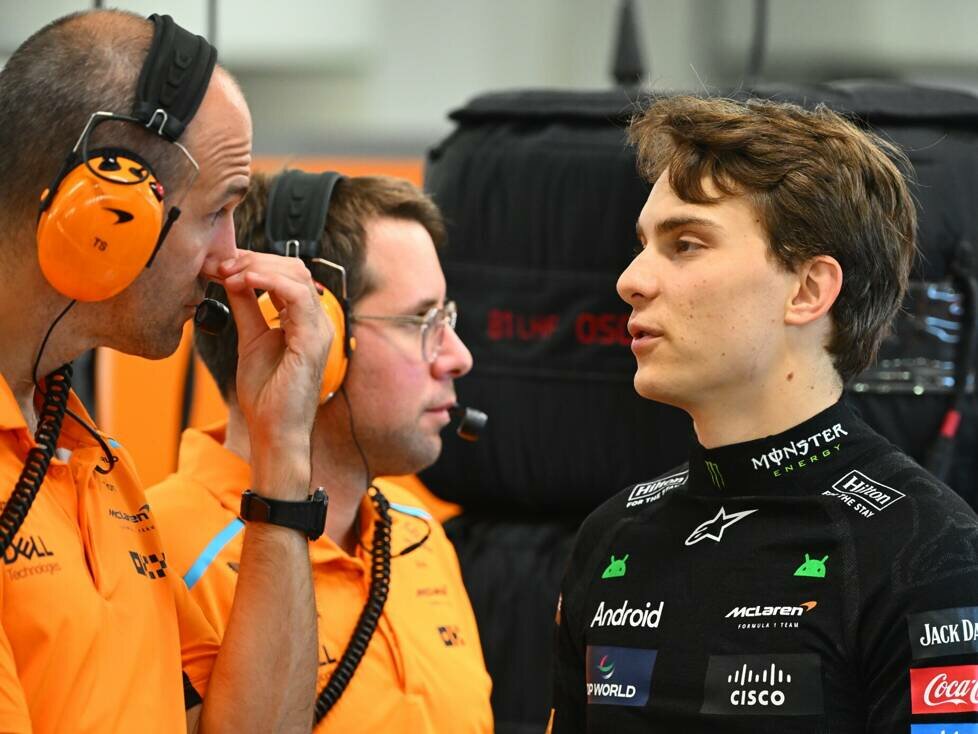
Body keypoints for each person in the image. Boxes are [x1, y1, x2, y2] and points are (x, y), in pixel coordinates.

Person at [550, 94, 978, 732]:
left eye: (686, 244)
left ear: (808, 289)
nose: (631, 280)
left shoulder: (928, 553)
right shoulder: (613, 537)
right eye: (642, 245)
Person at [0, 10, 330, 733]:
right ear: (104, 204)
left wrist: (280, 458)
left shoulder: (92, 456)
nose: (229, 260)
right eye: (217, 213)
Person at [148, 169, 494, 731]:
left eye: (448, 319)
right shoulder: (158, 550)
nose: (458, 357)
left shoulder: (419, 535)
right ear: (304, 331)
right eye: (423, 321)